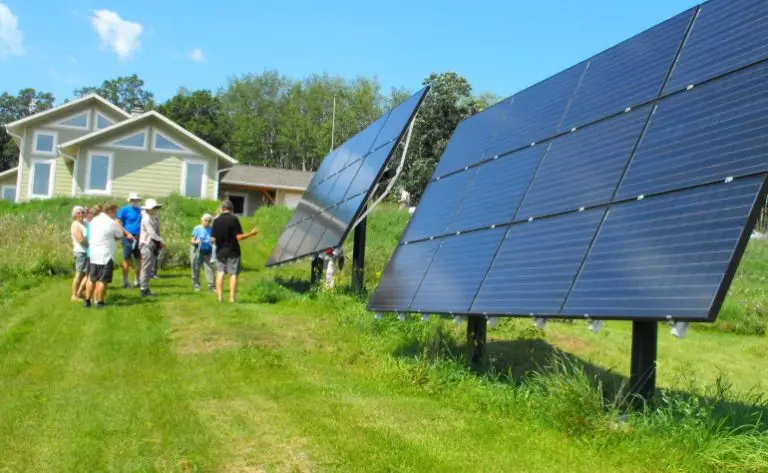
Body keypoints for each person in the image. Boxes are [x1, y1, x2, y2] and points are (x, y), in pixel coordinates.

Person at [212, 200, 259, 303]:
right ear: (232, 209)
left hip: (220, 251)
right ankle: (232, 298)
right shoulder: (234, 219)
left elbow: (213, 239)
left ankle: (220, 297)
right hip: (233, 251)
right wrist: (251, 234)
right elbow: (238, 237)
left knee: (220, 273)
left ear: (222, 208)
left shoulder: (216, 221)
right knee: (233, 274)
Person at [84, 203, 122, 308]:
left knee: (92, 279)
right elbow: (120, 234)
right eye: (115, 212)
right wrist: (118, 224)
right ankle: (100, 302)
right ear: (109, 211)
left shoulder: (94, 220)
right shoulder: (111, 222)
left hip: (93, 254)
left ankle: (87, 300)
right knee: (103, 280)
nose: (116, 214)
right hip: (106, 255)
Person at [138, 199, 164, 297]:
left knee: (149, 267)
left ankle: (145, 287)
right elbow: (151, 233)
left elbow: (157, 230)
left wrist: (159, 240)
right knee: (146, 267)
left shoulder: (154, 217)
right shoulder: (146, 218)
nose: (156, 209)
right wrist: (161, 240)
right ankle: (143, 289)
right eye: (154, 208)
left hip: (153, 244)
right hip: (146, 244)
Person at [116, 192, 142, 288]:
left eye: (136, 200)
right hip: (127, 237)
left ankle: (137, 280)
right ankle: (126, 281)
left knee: (140, 259)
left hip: (139, 237)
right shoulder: (124, 209)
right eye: (133, 200)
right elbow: (118, 222)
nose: (135, 201)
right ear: (130, 200)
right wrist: (126, 233)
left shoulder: (141, 210)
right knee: (127, 259)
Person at [78, 205, 100, 299]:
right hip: (92, 253)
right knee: (90, 276)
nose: (89, 215)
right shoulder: (92, 225)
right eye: (89, 213)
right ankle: (82, 293)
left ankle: (81, 293)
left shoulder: (90, 224)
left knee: (89, 275)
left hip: (91, 252)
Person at [190, 213, 216, 292]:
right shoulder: (197, 228)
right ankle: (196, 285)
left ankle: (211, 286)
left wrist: (213, 241)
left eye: (209, 220)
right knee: (195, 267)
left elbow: (214, 240)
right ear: (202, 220)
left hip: (207, 249)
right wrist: (196, 242)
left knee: (209, 268)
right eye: (206, 220)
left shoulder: (211, 229)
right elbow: (192, 240)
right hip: (197, 249)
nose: (207, 222)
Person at [70, 206, 88, 301]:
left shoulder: (85, 223)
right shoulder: (76, 224)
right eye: (78, 213)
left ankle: (79, 293)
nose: (81, 214)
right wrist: (92, 244)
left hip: (87, 251)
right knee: (79, 274)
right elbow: (80, 240)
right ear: (75, 215)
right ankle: (74, 295)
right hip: (80, 252)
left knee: (86, 274)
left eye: (82, 212)